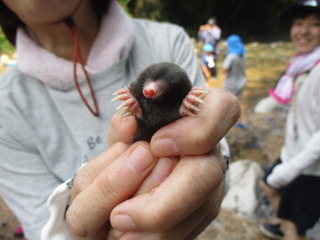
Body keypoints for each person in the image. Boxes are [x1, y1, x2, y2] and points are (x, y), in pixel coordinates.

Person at [0, 0, 240, 239]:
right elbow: (40, 225)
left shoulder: (169, 41)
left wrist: (215, 162)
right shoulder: (6, 107)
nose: (149, 91)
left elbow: (213, 148)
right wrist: (69, 227)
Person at [259, 1, 320, 239]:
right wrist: (271, 102)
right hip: (292, 152)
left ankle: (289, 229)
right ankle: (282, 223)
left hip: (310, 168)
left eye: (315, 25)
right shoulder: (302, 65)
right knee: (267, 184)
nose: (303, 31)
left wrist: (289, 170)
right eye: (298, 23)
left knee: (295, 225)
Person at [222, 34, 249, 130]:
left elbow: (224, 69)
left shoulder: (232, 56)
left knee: (225, 102)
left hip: (231, 84)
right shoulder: (244, 54)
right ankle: (244, 122)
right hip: (241, 82)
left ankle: (225, 124)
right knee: (241, 101)